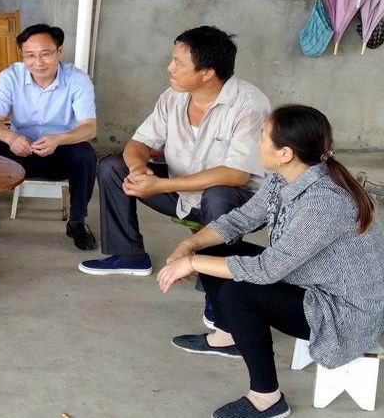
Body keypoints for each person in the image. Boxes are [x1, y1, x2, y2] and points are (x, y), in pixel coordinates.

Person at [157, 104, 384, 418]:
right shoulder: (284, 177)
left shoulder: (324, 201)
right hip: (309, 282)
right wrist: (190, 245)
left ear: (285, 153)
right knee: (217, 252)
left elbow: (266, 270)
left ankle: (267, 398)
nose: (258, 142)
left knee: (238, 292)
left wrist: (192, 263)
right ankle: (227, 336)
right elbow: (239, 220)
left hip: (341, 312)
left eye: (263, 136)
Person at [79, 26, 270, 326]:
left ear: (207, 72)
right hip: (183, 192)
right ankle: (129, 255)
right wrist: (139, 171)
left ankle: (219, 293)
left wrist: (161, 184)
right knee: (112, 167)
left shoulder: (249, 105)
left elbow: (235, 175)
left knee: (218, 195)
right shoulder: (173, 97)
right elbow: (139, 143)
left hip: (239, 203)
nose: (170, 67)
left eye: (178, 63)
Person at [0, 23, 98, 250]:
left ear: (60, 52)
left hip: (59, 153)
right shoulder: (10, 76)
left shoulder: (78, 79)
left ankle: (77, 222)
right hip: (19, 154)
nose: (38, 62)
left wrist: (59, 139)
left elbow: (89, 128)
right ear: (22, 55)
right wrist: (11, 138)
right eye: (30, 55)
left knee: (85, 154)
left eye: (46, 54)